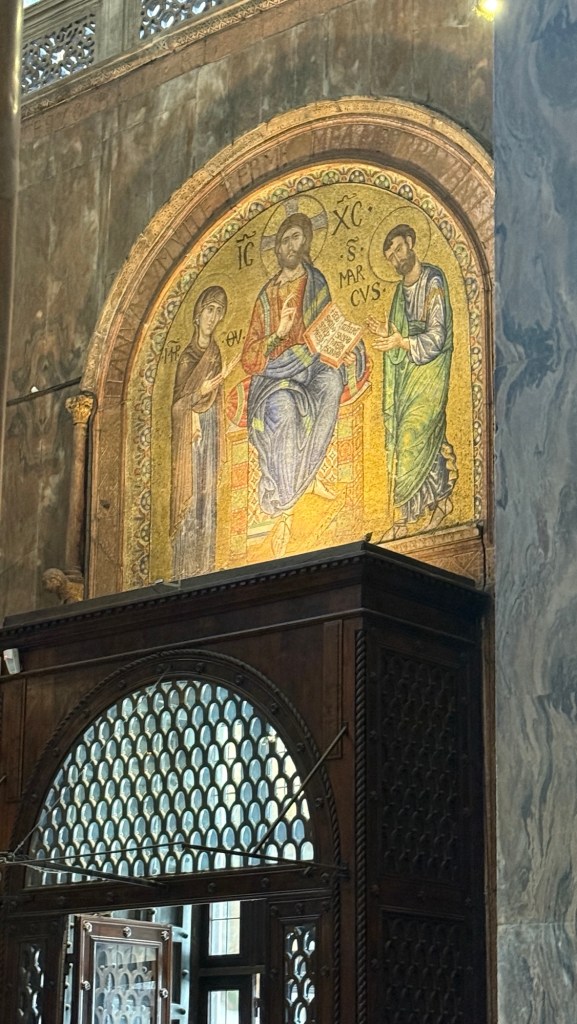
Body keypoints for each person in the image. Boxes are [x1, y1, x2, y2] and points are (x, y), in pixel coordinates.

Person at [241, 212, 361, 552]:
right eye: (285, 240)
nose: (291, 245)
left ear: (305, 241)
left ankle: (307, 473)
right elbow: (250, 358)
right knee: (284, 408)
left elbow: (329, 324)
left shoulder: (315, 281)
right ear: (277, 248)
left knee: (332, 382)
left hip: (312, 365)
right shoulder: (266, 297)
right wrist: (278, 333)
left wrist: (345, 349)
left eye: (296, 237)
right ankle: (286, 498)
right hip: (275, 376)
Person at [367, 223, 457, 538]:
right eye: (390, 256)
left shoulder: (433, 280)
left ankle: (412, 518)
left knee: (412, 436)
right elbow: (399, 337)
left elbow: (437, 337)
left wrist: (401, 342)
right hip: (408, 375)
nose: (396, 258)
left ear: (410, 242)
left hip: (430, 371)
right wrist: (388, 335)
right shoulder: (398, 292)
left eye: (398, 249)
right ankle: (430, 508)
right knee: (406, 440)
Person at [171, 285, 228, 577]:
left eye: (219, 312)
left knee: (208, 495)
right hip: (190, 439)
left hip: (210, 431)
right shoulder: (187, 358)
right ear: (198, 314)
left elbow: (219, 399)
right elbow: (176, 407)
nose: (213, 317)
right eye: (209, 310)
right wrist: (199, 393)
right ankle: (185, 568)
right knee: (192, 495)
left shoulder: (216, 354)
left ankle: (206, 564)